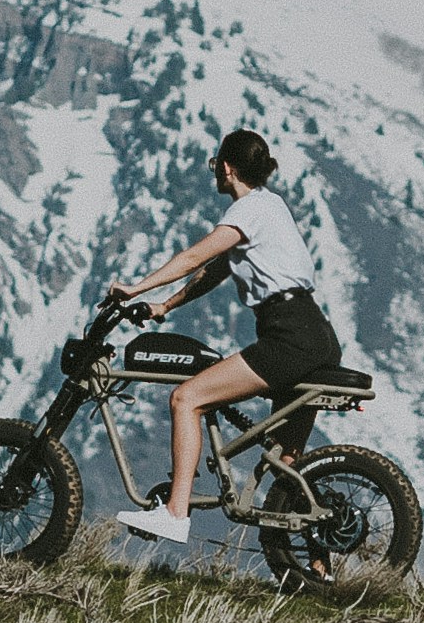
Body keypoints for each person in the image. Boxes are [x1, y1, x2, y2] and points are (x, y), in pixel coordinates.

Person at [107, 128, 345, 544]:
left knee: (187, 398)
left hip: (287, 335)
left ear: (228, 168)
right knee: (286, 461)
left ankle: (175, 514)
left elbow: (194, 256)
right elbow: (212, 271)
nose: (215, 171)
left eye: (216, 164)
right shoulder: (271, 206)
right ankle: (318, 561)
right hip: (317, 333)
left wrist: (136, 287)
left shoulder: (246, 211)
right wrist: (166, 305)